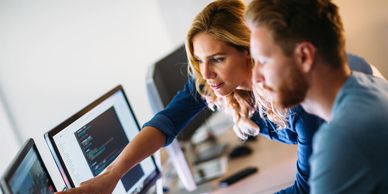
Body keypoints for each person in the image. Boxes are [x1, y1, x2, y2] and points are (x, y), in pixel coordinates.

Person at [57, 1, 376, 194]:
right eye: (199, 60)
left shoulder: (300, 96)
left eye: (218, 59)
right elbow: (166, 122)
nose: (205, 74)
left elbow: (308, 189)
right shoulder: (216, 79)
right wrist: (111, 176)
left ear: (248, 51)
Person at [245, 0, 388, 193]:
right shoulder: (370, 85)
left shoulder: (342, 137)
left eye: (263, 61)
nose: (256, 77)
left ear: (304, 56)